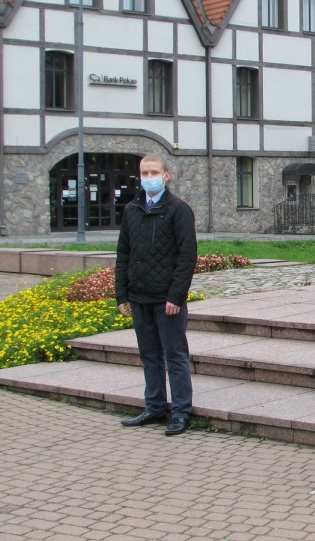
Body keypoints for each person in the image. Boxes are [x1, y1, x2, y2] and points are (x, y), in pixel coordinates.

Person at [115, 153, 197, 436]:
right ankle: (154, 406)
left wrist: (176, 296)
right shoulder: (132, 209)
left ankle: (182, 412)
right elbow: (123, 253)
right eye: (144, 173)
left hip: (167, 300)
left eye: (153, 172)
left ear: (166, 175)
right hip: (139, 296)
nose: (148, 177)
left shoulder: (179, 209)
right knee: (149, 355)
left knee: (174, 355)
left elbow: (187, 257)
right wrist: (121, 294)